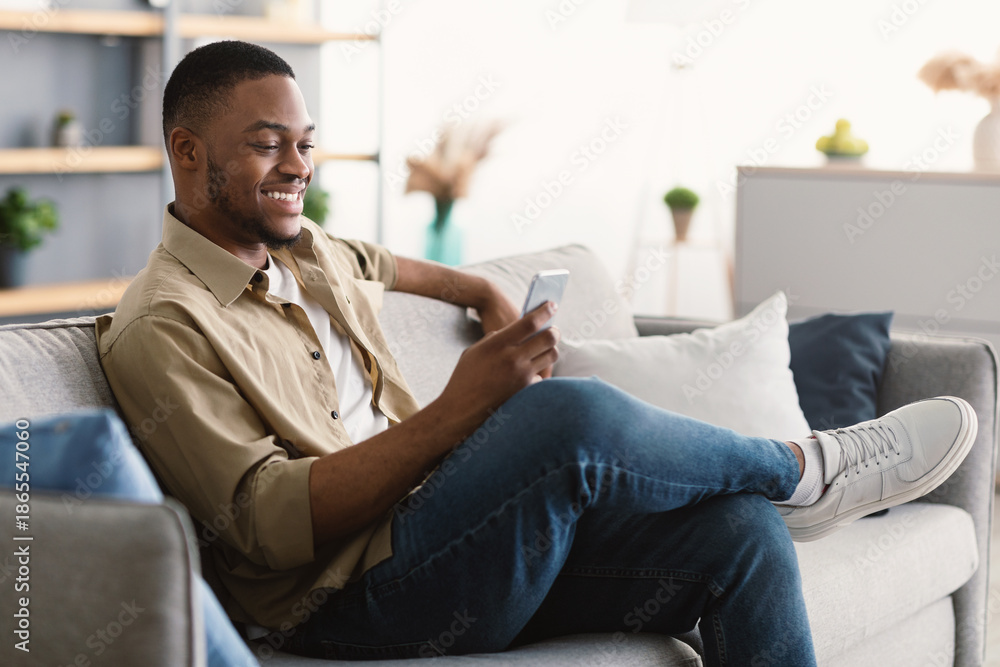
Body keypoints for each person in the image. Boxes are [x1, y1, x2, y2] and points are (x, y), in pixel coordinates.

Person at [96, 40, 977, 666]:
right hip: (351, 599)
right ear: (187, 150)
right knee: (565, 414)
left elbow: (384, 263)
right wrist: (460, 410)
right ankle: (801, 467)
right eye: (266, 143)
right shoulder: (163, 326)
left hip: (455, 537)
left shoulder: (303, 246)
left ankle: (777, 491)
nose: (297, 164)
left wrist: (479, 291)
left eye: (306, 142)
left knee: (739, 537)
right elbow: (264, 521)